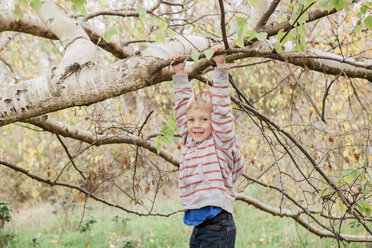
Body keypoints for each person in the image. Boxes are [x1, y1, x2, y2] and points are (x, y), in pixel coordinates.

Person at [170, 43, 245, 248]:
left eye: (204, 119)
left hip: (218, 224)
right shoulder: (190, 141)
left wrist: (220, 68)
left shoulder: (219, 141)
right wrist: (179, 73)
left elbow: (222, 110)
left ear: (214, 123)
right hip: (201, 226)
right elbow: (181, 108)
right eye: (192, 120)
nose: (197, 125)